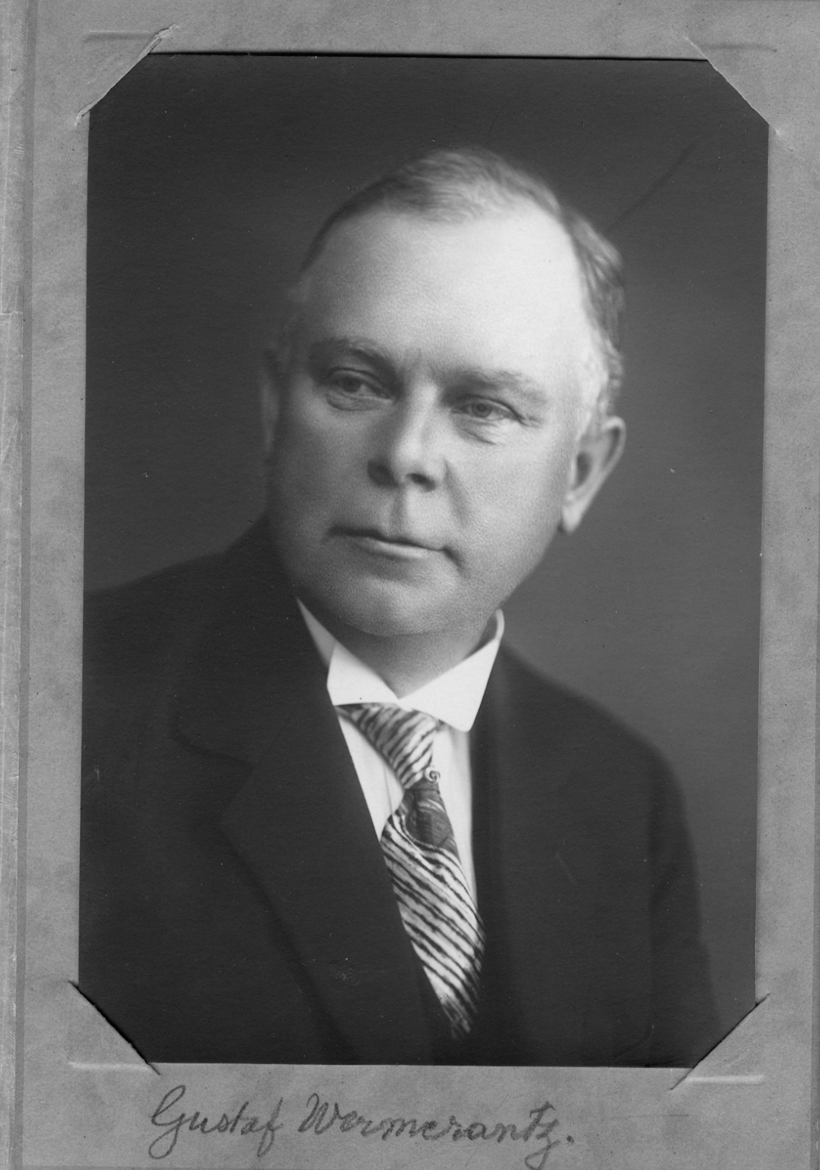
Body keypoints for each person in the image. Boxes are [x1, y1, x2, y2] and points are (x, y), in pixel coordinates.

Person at [80, 147, 719, 1067]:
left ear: (580, 473)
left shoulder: (623, 793)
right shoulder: (65, 710)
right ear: (274, 409)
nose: (407, 454)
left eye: (485, 406)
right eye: (356, 382)